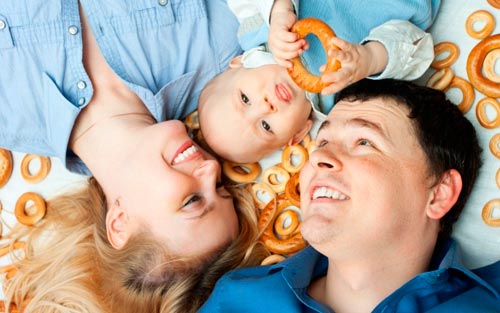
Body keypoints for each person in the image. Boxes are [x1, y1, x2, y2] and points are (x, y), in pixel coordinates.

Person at [0, 1, 268, 312]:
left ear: (120, 224)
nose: (209, 169)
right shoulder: (222, 43)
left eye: (192, 200)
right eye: (220, 186)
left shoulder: (6, 112)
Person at [200, 79, 500, 312]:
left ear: (439, 194)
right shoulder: (235, 299)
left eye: (364, 142)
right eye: (323, 141)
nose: (319, 158)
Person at [196, 0, 439, 164]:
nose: (266, 106)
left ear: (239, 62)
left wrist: (279, 10)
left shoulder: (256, 25)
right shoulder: (343, 101)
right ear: (300, 133)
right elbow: (418, 48)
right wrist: (370, 58)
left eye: (245, 99)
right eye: (266, 126)